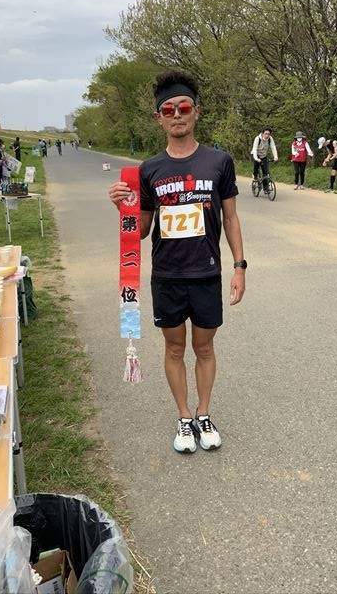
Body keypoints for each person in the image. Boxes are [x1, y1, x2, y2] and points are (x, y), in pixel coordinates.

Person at [109, 70, 246, 454]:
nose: (177, 115)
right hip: (167, 275)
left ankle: (204, 413)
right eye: (168, 110)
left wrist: (240, 267)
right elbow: (141, 231)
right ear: (159, 118)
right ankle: (184, 417)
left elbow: (231, 218)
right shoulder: (148, 170)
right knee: (173, 349)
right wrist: (123, 207)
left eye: (183, 107)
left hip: (206, 272)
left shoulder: (219, 161)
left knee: (204, 348)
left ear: (196, 111)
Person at [251, 127, 278, 193]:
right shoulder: (257, 138)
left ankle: (266, 188)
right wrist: (256, 158)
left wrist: (275, 156)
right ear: (262, 133)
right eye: (266, 133)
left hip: (263, 156)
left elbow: (273, 147)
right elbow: (254, 149)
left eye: (268, 134)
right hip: (256, 155)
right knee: (256, 167)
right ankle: (255, 176)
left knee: (265, 172)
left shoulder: (270, 139)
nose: (267, 135)